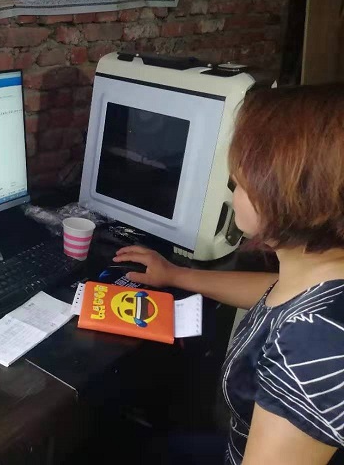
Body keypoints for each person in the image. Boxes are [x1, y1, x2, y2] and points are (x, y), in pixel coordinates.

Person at [114, 84, 344, 465]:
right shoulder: (319, 276)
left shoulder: (315, 341)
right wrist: (174, 274)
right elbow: (274, 291)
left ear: (297, 196)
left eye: (242, 182)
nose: (232, 189)